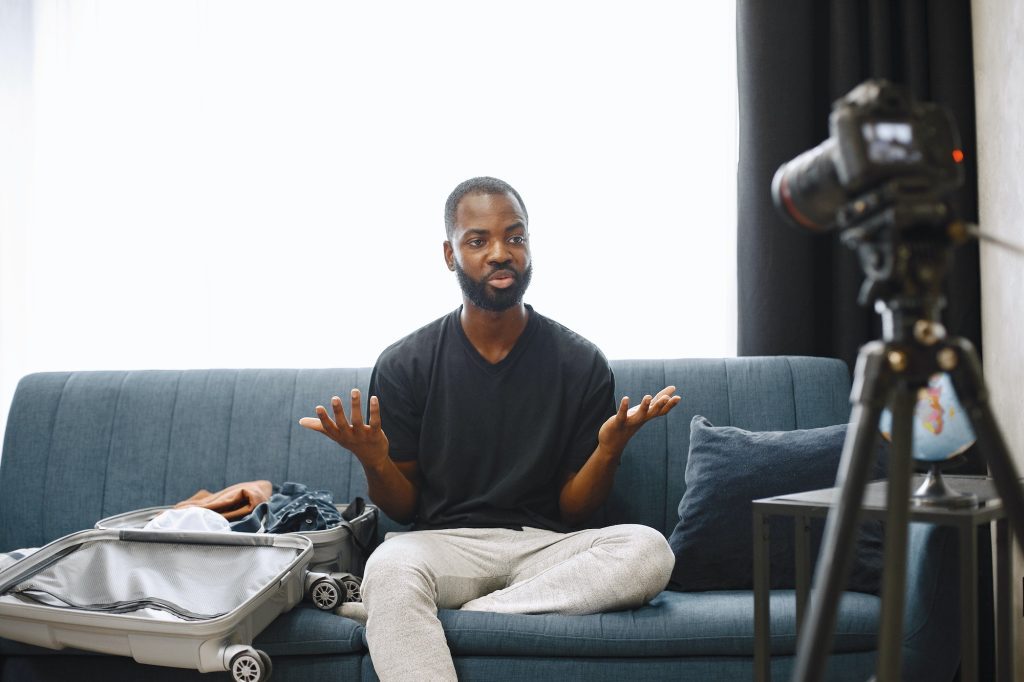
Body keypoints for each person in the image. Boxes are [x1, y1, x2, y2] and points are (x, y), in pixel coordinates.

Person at [300, 176, 680, 681]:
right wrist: (374, 459)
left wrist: (608, 450)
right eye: (478, 240)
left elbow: (577, 509)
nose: (501, 253)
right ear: (449, 253)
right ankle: (400, 604)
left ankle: (414, 616)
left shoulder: (581, 361)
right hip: (443, 545)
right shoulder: (405, 363)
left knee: (648, 550)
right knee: (390, 567)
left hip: (545, 549)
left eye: (515, 238)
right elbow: (405, 508)